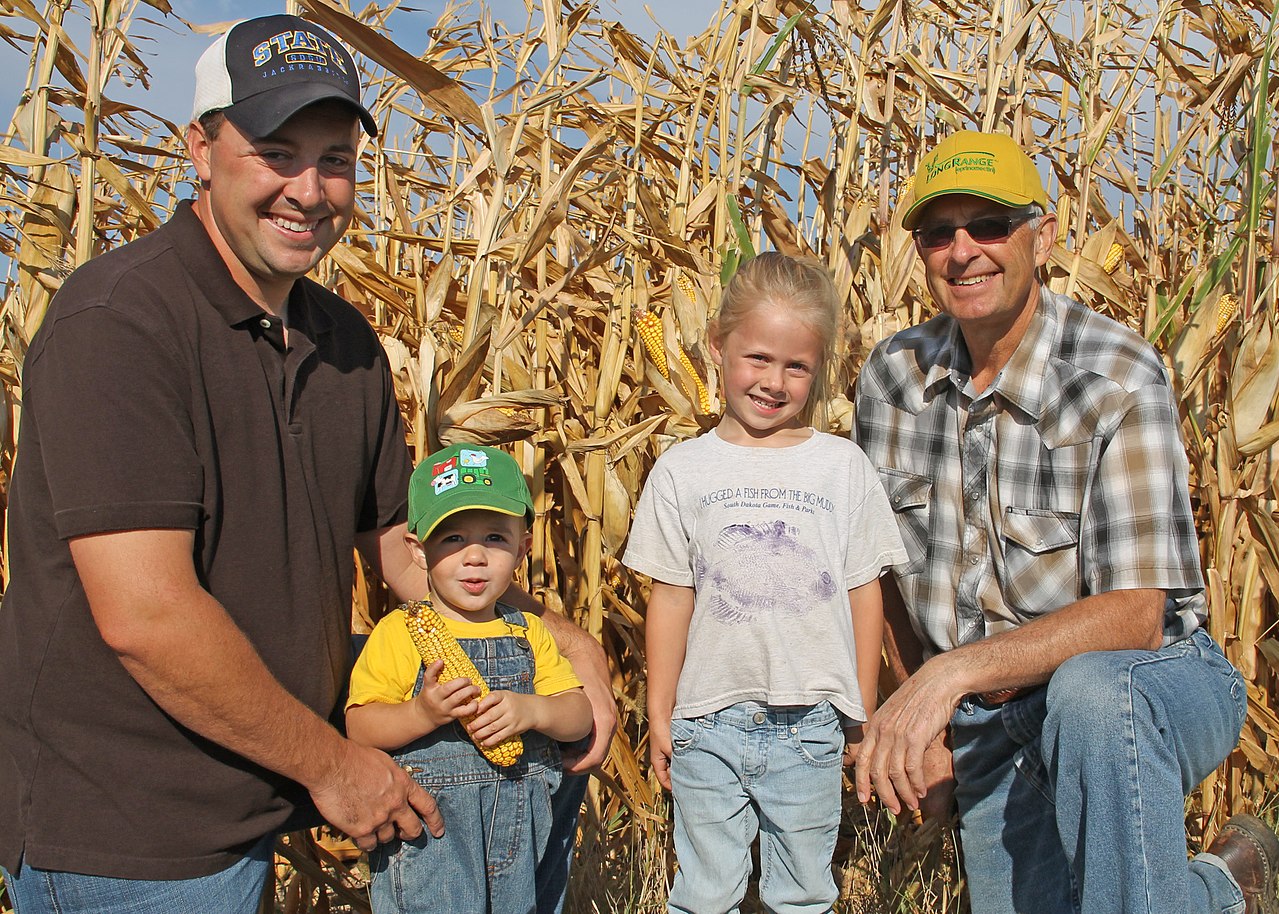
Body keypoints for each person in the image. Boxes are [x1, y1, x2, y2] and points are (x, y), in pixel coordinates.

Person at [0, 15, 614, 914]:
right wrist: (332, 767)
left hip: (256, 793)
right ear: (199, 149)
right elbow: (146, 615)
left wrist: (556, 640)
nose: (309, 188)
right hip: (130, 833)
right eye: (276, 152)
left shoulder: (345, 346)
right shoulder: (122, 326)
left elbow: (405, 548)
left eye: (333, 159)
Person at [853, 129, 1278, 914]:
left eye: (988, 225)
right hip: (991, 712)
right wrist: (926, 713)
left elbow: (1135, 615)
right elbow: (880, 573)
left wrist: (945, 681)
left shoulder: (1113, 374)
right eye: (937, 232)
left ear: (1041, 237)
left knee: (1087, 693)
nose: (962, 250)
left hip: (1149, 680)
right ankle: (1223, 892)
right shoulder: (890, 378)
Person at [625, 252, 907, 913]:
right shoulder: (682, 471)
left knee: (802, 894)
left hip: (809, 724)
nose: (773, 381)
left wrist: (857, 712)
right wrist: (660, 712)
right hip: (707, 721)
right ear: (716, 348)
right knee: (703, 894)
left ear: (819, 369)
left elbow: (863, 592)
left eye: (795, 366)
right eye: (756, 358)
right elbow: (669, 596)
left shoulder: (841, 468)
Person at [346, 443, 593, 914]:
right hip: (434, 847)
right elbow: (361, 726)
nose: (475, 557)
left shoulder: (529, 632)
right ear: (419, 551)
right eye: (452, 538)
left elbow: (578, 716)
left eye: (495, 539)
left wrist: (534, 710)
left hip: (523, 839)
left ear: (523, 549)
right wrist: (422, 712)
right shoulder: (400, 632)